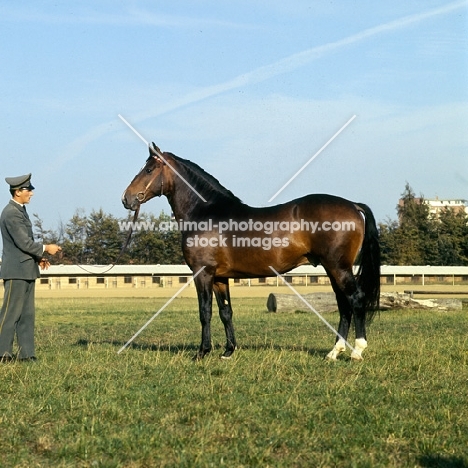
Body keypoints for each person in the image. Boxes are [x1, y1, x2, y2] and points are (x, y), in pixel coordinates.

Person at [0, 173, 61, 362]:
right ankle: (3, 353)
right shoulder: (10, 213)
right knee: (10, 314)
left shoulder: (19, 211)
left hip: (26, 270)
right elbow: (23, 242)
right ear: (18, 192)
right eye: (28, 190)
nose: (31, 194)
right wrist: (46, 249)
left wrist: (38, 258)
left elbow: (25, 245)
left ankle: (27, 355)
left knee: (27, 315)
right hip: (16, 272)